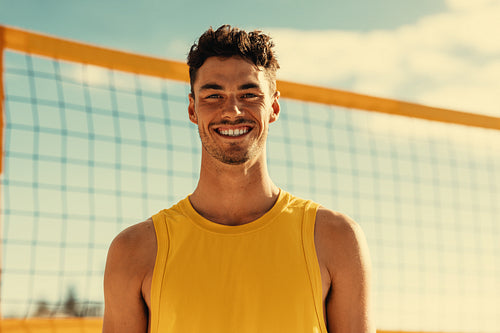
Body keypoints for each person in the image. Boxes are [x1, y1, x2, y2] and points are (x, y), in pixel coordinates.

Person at [102, 25, 375, 333]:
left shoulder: (336, 239)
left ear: (273, 107)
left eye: (249, 94)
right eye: (214, 95)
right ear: (192, 108)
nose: (232, 110)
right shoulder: (133, 251)